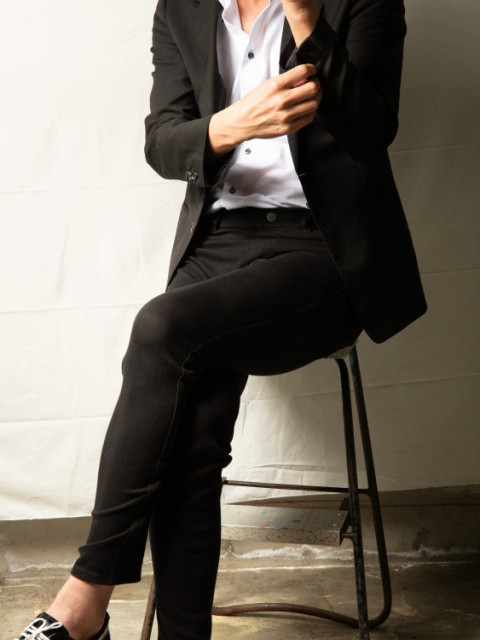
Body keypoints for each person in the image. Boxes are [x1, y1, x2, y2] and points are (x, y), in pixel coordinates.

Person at [14, 0, 426, 638]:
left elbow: (371, 131)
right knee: (191, 432)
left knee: (161, 328)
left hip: (323, 250)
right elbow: (162, 139)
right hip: (218, 241)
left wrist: (307, 22)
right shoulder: (182, 8)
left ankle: (84, 598)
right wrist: (227, 128)